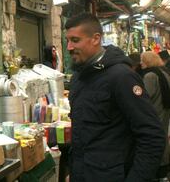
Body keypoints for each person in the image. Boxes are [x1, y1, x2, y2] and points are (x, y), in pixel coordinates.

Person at [65, 13, 165, 181]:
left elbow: (152, 136)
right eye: (67, 40)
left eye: (75, 40)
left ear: (96, 39)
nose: (68, 47)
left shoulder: (121, 77)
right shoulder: (79, 78)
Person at [140, 51, 170, 180]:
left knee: (153, 141)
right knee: (163, 138)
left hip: (154, 113)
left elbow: (145, 97)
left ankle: (157, 169)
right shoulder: (164, 73)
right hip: (164, 111)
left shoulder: (150, 76)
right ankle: (164, 168)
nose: (141, 63)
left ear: (148, 61)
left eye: (143, 60)